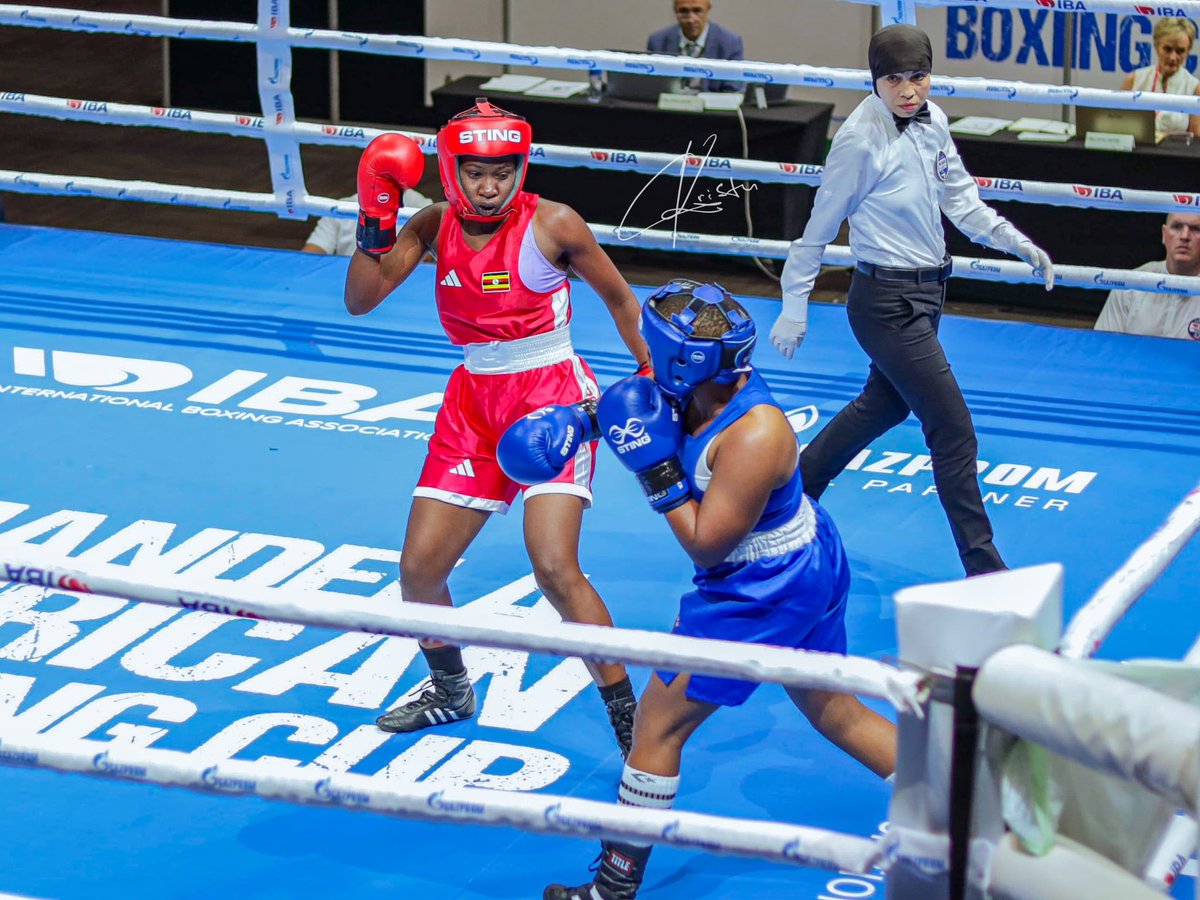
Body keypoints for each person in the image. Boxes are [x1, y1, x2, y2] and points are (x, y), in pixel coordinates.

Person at [503, 282, 896, 900]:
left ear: (686, 359)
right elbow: (636, 402)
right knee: (835, 710)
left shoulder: (755, 434)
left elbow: (706, 543)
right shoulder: (693, 381)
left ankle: (613, 888)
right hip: (800, 558)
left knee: (656, 730)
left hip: (762, 586)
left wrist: (654, 469)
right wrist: (580, 422)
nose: (650, 362)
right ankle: (972, 806)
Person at [343, 100, 651, 756]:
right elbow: (361, 299)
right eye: (476, 174)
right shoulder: (433, 223)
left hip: (552, 397)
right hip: (472, 404)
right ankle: (451, 689)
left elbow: (622, 299)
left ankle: (631, 718)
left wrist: (654, 377)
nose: (490, 186)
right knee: (420, 572)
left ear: (521, 167)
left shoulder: (554, 223)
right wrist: (374, 216)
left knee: (554, 568)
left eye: (503, 173)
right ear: (452, 172)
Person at [770, 25, 1056, 578]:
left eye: (918, 77)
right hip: (885, 303)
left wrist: (1014, 240)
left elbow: (962, 201)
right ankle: (986, 572)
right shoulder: (857, 141)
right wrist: (794, 300)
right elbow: (819, 226)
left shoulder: (935, 119)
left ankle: (785, 507)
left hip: (928, 292)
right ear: (875, 80)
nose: (908, 91)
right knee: (952, 428)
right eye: (894, 79)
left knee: (883, 406)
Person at [1095, 212, 1200, 340]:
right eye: (1177, 226)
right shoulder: (1130, 284)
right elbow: (1104, 347)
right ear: (1164, 234)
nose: (1184, 236)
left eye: (1195, 229)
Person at [1120, 17, 1200, 138]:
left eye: (1180, 51)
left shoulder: (1195, 89)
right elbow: (1115, 124)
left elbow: (1196, 140)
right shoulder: (1134, 79)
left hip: (1175, 155)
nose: (1173, 57)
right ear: (1156, 46)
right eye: (1167, 49)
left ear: (1188, 51)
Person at [646, 0, 744, 92]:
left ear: (708, 9)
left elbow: (733, 92)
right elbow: (652, 89)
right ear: (675, 10)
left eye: (697, 11)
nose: (691, 19)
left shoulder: (730, 43)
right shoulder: (657, 41)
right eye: (683, 11)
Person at [302, 189, 431, 255]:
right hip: (349, 285)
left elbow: (432, 255)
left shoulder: (422, 207)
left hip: (403, 285)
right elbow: (312, 252)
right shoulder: (342, 207)